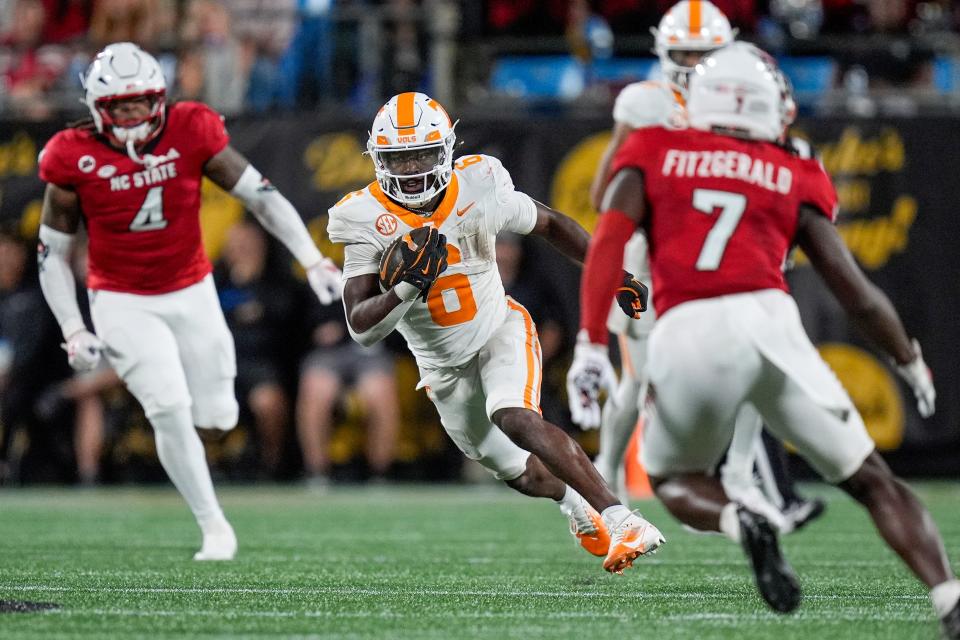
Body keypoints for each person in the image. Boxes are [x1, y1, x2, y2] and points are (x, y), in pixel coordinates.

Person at [570, 43, 959, 637]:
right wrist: (908, 359)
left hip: (686, 330)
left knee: (673, 478)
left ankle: (738, 517)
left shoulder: (652, 147)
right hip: (771, 323)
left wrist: (592, 344)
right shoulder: (794, 167)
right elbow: (855, 292)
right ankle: (947, 593)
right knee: (872, 479)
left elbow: (607, 243)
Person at [327, 91, 663, 574]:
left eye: (422, 154)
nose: (412, 169)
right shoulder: (360, 217)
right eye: (400, 159)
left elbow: (549, 223)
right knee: (522, 474)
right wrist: (403, 290)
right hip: (442, 368)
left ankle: (623, 518)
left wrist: (612, 274)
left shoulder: (478, 183)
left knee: (516, 417)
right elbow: (361, 327)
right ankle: (576, 505)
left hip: (498, 328)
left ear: (446, 150)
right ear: (380, 160)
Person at [36, 42, 342, 560]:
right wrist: (73, 327)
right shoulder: (71, 155)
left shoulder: (191, 128)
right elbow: (52, 253)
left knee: (218, 413)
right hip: (121, 298)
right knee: (169, 408)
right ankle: (214, 526)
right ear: (96, 107)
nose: (133, 116)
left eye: (141, 103)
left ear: (160, 98)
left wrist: (312, 259)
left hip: (192, 288)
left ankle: (211, 436)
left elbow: (261, 197)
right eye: (120, 106)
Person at [583, 0, 822, 531]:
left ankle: (733, 479)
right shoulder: (646, 103)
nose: (692, 66)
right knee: (646, 380)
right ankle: (607, 470)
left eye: (703, 54)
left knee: (744, 370)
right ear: (663, 52)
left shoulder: (745, 100)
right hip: (649, 261)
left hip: (712, 259)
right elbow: (606, 193)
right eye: (682, 54)